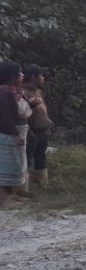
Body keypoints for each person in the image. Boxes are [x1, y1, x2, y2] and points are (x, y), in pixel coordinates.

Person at [21, 65, 52, 189]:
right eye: (41, 75)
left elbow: (41, 109)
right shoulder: (22, 92)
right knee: (27, 157)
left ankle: (42, 184)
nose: (43, 78)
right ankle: (24, 186)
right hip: (31, 131)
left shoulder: (38, 91)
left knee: (41, 156)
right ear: (33, 77)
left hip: (43, 129)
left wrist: (48, 120)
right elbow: (22, 113)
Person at [0, 63, 27, 209]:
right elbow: (4, 117)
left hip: (7, 133)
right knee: (3, 173)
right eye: (20, 73)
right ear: (12, 77)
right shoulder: (2, 92)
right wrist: (15, 133)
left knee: (8, 171)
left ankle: (6, 200)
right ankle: (2, 202)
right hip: (5, 135)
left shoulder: (9, 91)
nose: (22, 76)